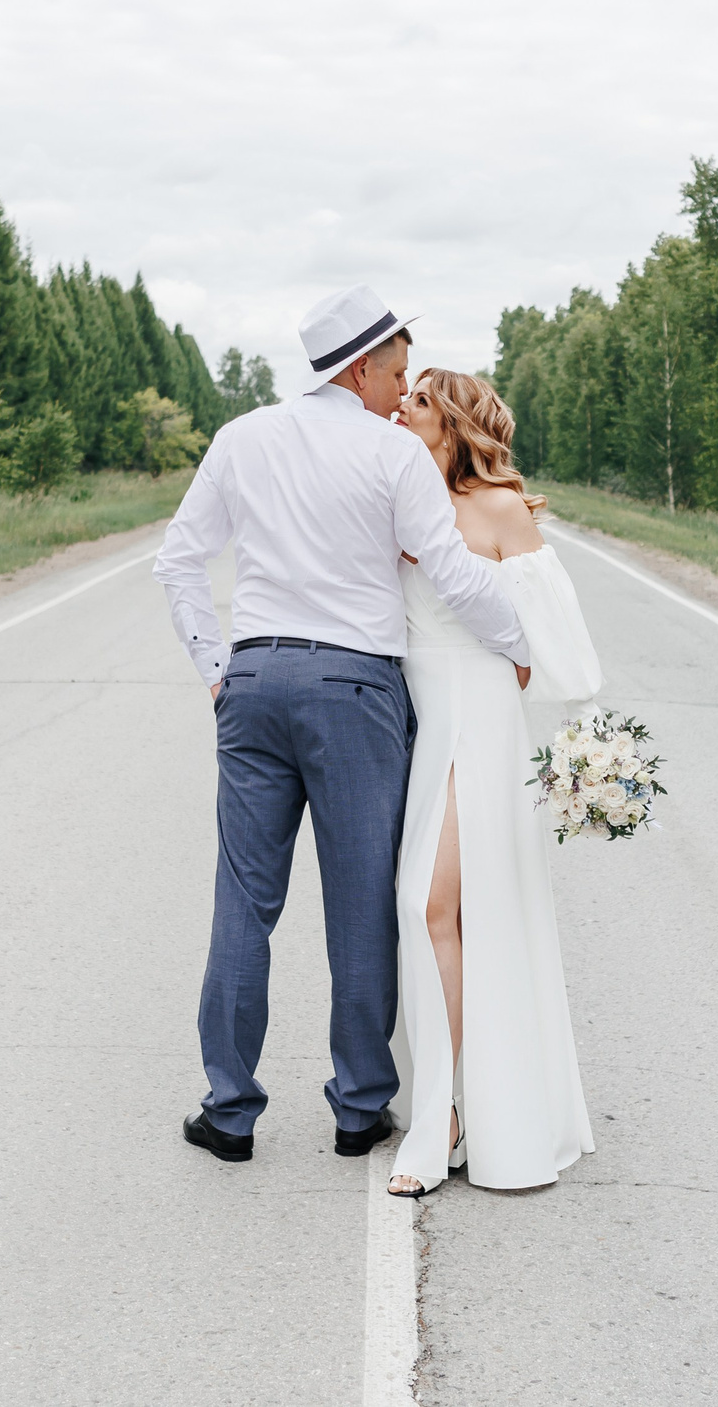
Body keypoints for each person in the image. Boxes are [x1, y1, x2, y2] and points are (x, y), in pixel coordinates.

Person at [152, 287, 531, 1163]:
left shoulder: (242, 437)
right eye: (398, 374)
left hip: (253, 679)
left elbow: (178, 561)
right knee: (362, 901)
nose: (405, 394)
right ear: (359, 366)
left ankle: (230, 1109)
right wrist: (518, 645)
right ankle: (360, 1109)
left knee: (243, 899)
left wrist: (218, 669)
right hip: (355, 689)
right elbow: (453, 572)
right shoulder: (392, 455)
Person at [385, 368, 602, 1197]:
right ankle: (460, 1102)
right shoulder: (404, 503)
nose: (403, 407)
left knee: (429, 905)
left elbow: (554, 646)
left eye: (420, 401)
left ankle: (443, 1113)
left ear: (457, 423)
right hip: (423, 721)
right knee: (439, 913)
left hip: (477, 722)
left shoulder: (501, 510)